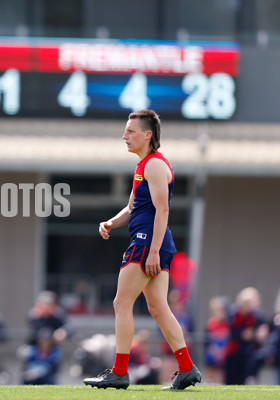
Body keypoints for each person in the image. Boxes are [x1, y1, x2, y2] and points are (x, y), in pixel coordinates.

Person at [84, 110, 201, 390]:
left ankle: (119, 372)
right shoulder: (143, 165)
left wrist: (152, 251)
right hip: (151, 240)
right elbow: (132, 207)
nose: (125, 136)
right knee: (158, 307)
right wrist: (110, 223)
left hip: (148, 241)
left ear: (148, 135)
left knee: (120, 303)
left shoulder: (155, 165)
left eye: (130, 131)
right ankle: (186, 369)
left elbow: (163, 210)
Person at [225, 286, 266, 384]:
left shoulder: (256, 315)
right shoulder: (233, 313)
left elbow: (260, 330)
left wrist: (256, 334)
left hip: (249, 351)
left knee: (246, 377)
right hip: (234, 351)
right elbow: (230, 331)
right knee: (231, 379)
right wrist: (242, 334)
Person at [204, 296, 230, 384]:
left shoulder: (228, 324)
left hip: (224, 356)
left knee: (222, 379)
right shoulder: (211, 323)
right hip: (212, 355)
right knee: (210, 378)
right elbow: (206, 340)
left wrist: (223, 351)